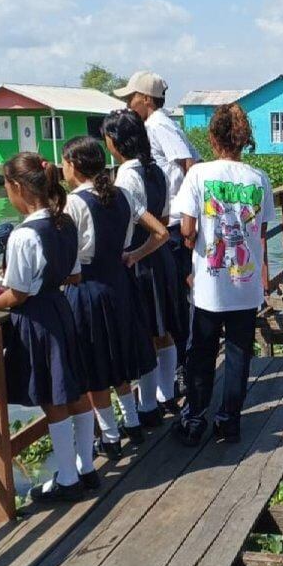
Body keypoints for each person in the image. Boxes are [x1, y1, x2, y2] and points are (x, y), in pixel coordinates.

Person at [0, 153, 90, 503]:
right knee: (73, 391)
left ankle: (68, 479)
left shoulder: (23, 234)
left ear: (17, 187)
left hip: (38, 319)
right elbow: (74, 275)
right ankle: (86, 468)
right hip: (61, 310)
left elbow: (18, 294)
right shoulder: (64, 222)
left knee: (52, 398)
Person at [173, 102, 275, 446]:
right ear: (244, 140)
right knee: (238, 354)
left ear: (213, 138)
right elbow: (260, 231)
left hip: (209, 286)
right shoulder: (259, 178)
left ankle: (195, 420)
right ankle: (229, 421)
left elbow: (187, 228)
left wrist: (192, 241)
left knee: (201, 355)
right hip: (246, 285)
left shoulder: (198, 174)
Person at [61, 135, 169, 458]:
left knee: (95, 366)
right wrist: (134, 255)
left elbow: (67, 258)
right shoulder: (121, 194)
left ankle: (110, 437)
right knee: (118, 358)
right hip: (120, 284)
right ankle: (132, 423)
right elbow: (162, 232)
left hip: (88, 289)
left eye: (64, 163)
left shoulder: (74, 203)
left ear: (73, 165)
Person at [114, 70, 199, 373]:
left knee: (170, 302)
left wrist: (191, 215)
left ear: (147, 99)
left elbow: (189, 163)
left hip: (171, 223)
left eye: (132, 98)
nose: (128, 104)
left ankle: (182, 367)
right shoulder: (164, 124)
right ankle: (179, 367)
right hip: (168, 221)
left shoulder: (157, 125)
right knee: (173, 297)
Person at [102, 110, 183, 426]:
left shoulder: (126, 177)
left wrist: (134, 254)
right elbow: (164, 219)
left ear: (115, 141)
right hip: (161, 257)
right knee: (163, 329)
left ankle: (149, 405)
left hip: (140, 258)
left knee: (147, 333)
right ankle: (166, 393)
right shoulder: (157, 171)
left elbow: (137, 223)